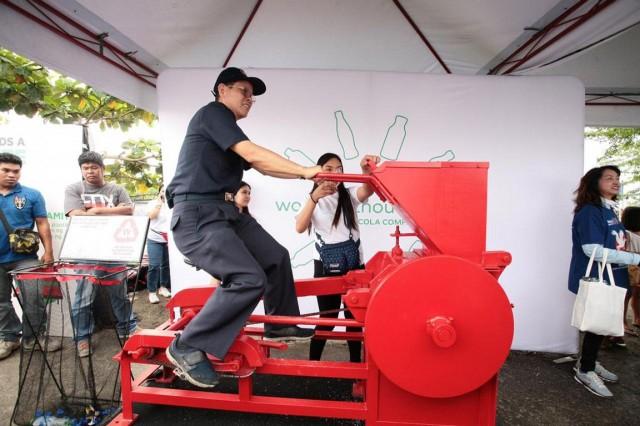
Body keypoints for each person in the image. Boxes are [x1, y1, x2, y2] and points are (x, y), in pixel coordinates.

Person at [164, 67, 321, 388]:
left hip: (225, 210)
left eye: (253, 95)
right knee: (248, 279)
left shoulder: (225, 129)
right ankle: (187, 345)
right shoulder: (213, 114)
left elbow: (264, 166)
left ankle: (279, 323)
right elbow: (253, 153)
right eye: (244, 92)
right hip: (198, 213)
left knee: (275, 256)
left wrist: (309, 175)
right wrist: (305, 170)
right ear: (222, 90)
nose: (250, 99)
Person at [295, 153, 379, 363]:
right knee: (327, 319)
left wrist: (366, 172)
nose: (335, 173)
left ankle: (356, 368)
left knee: (353, 319)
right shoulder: (312, 200)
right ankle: (312, 365)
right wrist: (315, 197)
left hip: (354, 266)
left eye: (339, 168)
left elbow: (367, 189)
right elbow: (299, 227)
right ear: (318, 171)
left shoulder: (349, 194)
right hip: (324, 266)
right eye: (329, 168)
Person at [568, 165, 640, 397]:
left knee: (601, 323)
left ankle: (589, 361)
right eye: (609, 178)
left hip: (612, 276)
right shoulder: (590, 211)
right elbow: (592, 250)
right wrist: (635, 258)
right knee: (596, 323)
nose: (615, 181)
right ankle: (585, 369)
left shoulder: (608, 209)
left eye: (617, 178)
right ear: (594, 183)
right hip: (598, 277)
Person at [64, 151, 138, 357]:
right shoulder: (73, 188)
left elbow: (129, 210)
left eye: (94, 167)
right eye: (85, 168)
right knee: (83, 297)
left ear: (102, 168)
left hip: (113, 249)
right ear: (81, 170)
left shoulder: (116, 188)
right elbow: (75, 214)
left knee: (120, 295)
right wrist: (113, 210)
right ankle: (82, 338)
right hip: (85, 251)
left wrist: (96, 211)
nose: (90, 171)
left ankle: (128, 328)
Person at [0, 153, 59, 359]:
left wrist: (49, 251)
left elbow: (42, 223)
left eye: (15, 171)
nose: (11, 175)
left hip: (25, 256)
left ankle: (34, 337)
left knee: (34, 298)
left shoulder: (31, 195)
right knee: (1, 302)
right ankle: (9, 337)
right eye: (5, 170)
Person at [146, 186, 172, 304]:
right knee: (154, 265)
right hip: (154, 239)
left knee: (165, 265)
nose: (164, 193)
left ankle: (163, 287)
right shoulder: (152, 203)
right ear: (159, 192)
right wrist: (159, 203)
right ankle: (152, 292)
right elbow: (151, 216)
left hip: (168, 239)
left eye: (166, 190)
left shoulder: (172, 203)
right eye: (162, 190)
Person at [622, 206, 640, 333]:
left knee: (635, 294)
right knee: (626, 295)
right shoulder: (626, 234)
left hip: (635, 267)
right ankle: (622, 322)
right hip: (630, 266)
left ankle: (636, 318)